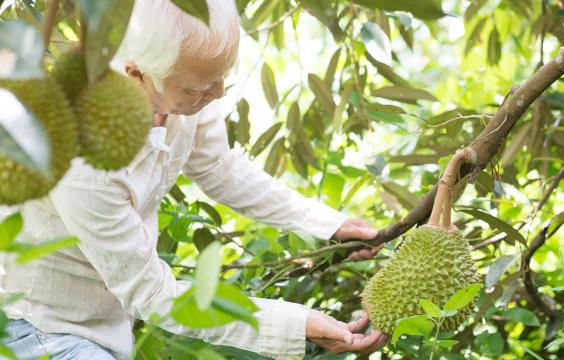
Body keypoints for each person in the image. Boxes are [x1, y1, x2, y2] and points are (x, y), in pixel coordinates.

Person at [0, 0, 389, 359]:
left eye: (221, 77)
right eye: (200, 87)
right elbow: (152, 293)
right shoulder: (84, 157)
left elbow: (220, 167)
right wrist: (292, 324)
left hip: (109, 324)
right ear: (138, 73)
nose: (218, 93)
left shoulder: (179, 87)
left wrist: (326, 224)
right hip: (40, 331)